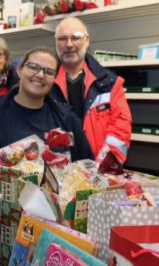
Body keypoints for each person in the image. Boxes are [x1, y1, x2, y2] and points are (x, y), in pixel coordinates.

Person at [0, 47, 93, 161]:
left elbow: (86, 168)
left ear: (55, 79)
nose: (40, 75)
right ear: (20, 70)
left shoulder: (67, 119)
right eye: (33, 67)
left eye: (49, 72)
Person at [50, 16, 132, 166]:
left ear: (87, 40)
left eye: (76, 37)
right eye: (62, 38)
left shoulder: (109, 84)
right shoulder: (45, 83)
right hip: (55, 171)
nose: (69, 44)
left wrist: (103, 168)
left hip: (99, 171)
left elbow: (120, 131)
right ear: (55, 42)